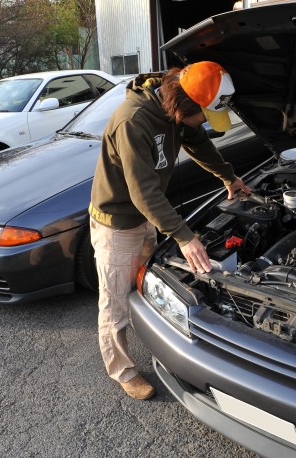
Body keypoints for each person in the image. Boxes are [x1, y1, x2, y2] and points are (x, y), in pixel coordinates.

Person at [88, 61, 251, 400]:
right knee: (115, 303)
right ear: (184, 106)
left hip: (146, 217)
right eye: (202, 116)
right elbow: (142, 191)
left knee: (147, 289)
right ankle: (123, 371)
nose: (205, 122)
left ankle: (155, 341)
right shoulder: (134, 122)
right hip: (117, 223)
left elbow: (199, 145)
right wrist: (184, 236)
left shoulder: (173, 110)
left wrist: (228, 176)